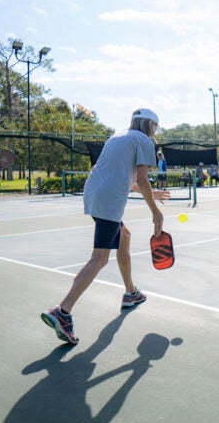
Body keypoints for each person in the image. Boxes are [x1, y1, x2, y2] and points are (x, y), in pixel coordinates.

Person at [41, 108, 170, 346]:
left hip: (93, 194)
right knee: (99, 258)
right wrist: (156, 212)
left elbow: (123, 177)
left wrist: (154, 193)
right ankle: (63, 310)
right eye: (155, 127)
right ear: (151, 125)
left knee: (124, 235)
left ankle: (130, 292)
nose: (154, 131)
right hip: (109, 199)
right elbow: (141, 179)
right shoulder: (144, 141)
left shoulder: (119, 136)